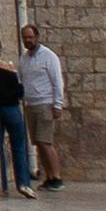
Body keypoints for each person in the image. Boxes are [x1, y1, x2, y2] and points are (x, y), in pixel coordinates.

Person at [16, 23, 68, 186]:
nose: (27, 41)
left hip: (45, 103)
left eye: (30, 37)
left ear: (37, 38)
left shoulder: (48, 56)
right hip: (31, 105)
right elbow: (21, 79)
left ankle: (57, 176)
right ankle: (49, 177)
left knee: (45, 141)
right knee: (38, 143)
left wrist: (58, 104)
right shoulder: (24, 59)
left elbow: (57, 80)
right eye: (25, 38)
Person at [0, 38, 36, 198]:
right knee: (18, 147)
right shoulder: (9, 69)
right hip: (12, 109)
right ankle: (23, 183)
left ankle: (2, 185)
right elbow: (18, 91)